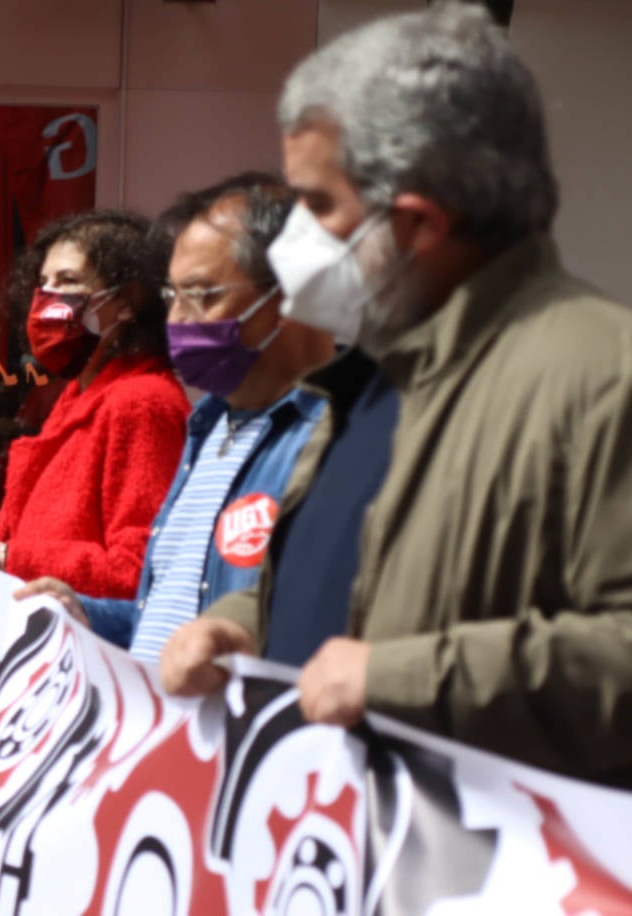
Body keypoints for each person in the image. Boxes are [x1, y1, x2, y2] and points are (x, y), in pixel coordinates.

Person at [160, 4, 632, 787]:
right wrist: (241, 628)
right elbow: (349, 603)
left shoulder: (601, 377)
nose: (290, 244)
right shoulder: (367, 385)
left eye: (316, 205)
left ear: (416, 225)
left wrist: (402, 680)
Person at [16, 175, 334, 658]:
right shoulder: (206, 432)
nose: (179, 320)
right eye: (172, 297)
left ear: (288, 294)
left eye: (203, 294)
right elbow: (165, 614)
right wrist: (83, 610)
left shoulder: (331, 440)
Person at [0, 210, 191, 598]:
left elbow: (139, 570)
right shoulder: (78, 395)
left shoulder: (143, 401)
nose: (46, 298)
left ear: (127, 303)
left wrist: (2, 552)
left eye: (69, 281)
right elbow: (31, 532)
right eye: (43, 282)